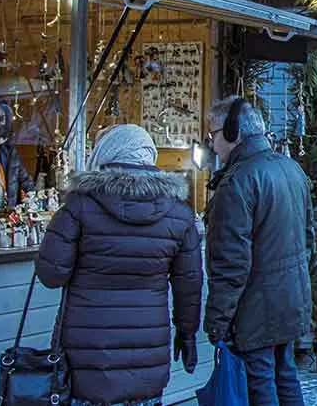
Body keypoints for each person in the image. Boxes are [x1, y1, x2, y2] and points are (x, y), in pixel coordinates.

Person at [36, 124, 202, 406]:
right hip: (147, 357)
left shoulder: (79, 205)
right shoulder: (178, 214)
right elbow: (190, 284)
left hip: (85, 360)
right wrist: (187, 334)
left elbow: (52, 274)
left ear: (106, 155)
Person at [204, 97, 311, 405]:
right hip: (290, 298)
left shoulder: (237, 181)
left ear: (232, 131)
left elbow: (230, 264)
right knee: (285, 375)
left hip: (257, 307)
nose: (211, 145)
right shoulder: (290, 168)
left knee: (259, 383)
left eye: (212, 135)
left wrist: (217, 321)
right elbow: (309, 238)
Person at [0, 97, 34, 210]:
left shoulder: (7, 151)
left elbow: (26, 182)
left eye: (1, 119)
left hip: (4, 220)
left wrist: (31, 198)